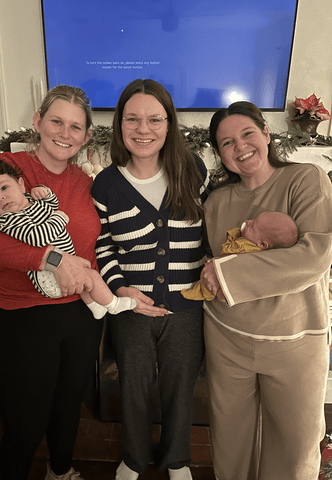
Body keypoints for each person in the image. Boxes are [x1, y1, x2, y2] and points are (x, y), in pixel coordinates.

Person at [0, 85, 103, 480]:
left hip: (78, 315)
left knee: (68, 405)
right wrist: (46, 258)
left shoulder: (87, 182)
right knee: (25, 422)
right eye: (56, 121)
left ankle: (61, 471)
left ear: (88, 136)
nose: (65, 132)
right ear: (37, 122)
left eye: (76, 126)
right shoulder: (7, 166)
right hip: (19, 317)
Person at [200, 101, 332, 480]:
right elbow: (210, 264)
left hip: (295, 342)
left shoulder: (306, 179)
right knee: (230, 444)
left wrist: (227, 276)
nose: (240, 146)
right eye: (226, 143)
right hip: (228, 341)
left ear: (266, 134)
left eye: (247, 134)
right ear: (219, 154)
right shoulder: (216, 202)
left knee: (296, 449)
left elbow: (315, 255)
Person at [91, 79, 211, 480]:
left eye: (154, 119)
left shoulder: (193, 169)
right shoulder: (105, 185)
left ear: (169, 122)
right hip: (130, 308)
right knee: (134, 388)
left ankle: (177, 459)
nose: (144, 129)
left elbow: (209, 232)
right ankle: (133, 457)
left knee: (181, 388)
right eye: (133, 119)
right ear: (120, 124)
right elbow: (103, 247)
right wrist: (120, 289)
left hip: (187, 307)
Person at [0, 158, 136, 319]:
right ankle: (113, 305)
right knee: (91, 276)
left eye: (3, 188)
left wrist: (45, 194)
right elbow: (38, 238)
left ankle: (95, 307)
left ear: (21, 185)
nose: (0, 198)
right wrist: (59, 218)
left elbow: (52, 205)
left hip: (64, 268)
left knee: (82, 275)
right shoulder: (7, 220)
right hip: (47, 277)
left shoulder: (31, 201)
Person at [182, 211, 298, 302]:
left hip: (228, 280)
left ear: (262, 244)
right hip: (224, 272)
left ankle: (203, 293)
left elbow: (231, 254)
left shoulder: (247, 248)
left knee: (215, 289)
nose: (247, 221)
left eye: (252, 226)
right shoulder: (252, 245)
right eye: (253, 220)